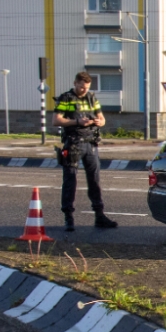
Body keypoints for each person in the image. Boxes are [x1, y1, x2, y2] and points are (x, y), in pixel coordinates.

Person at [53, 71, 118, 231]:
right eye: (81, 87)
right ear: (75, 83)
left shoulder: (91, 98)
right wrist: (77, 121)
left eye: (87, 87)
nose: (84, 90)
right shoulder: (66, 98)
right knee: (70, 180)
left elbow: (102, 119)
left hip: (90, 143)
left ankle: (99, 216)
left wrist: (99, 122)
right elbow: (56, 120)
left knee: (95, 180)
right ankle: (68, 217)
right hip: (73, 143)